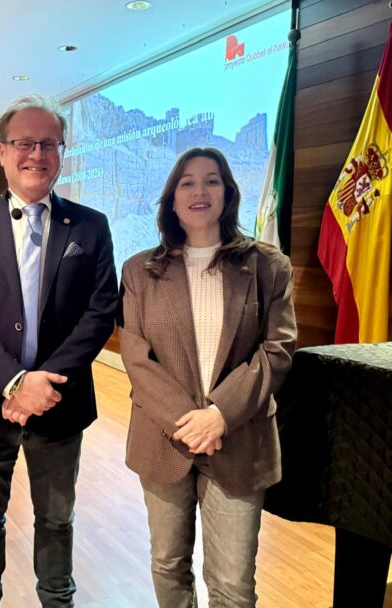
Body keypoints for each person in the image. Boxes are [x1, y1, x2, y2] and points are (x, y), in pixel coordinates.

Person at [0, 94, 118, 607]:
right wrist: (15, 383)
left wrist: (43, 383)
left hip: (61, 402)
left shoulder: (91, 225)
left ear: (62, 153)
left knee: (57, 518)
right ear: (2, 152)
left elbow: (100, 311)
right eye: (24, 143)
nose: (37, 154)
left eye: (49, 144)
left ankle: (57, 601)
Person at [119, 147, 297, 608]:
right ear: (172, 198)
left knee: (233, 585)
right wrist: (189, 420)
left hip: (239, 439)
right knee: (168, 564)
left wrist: (220, 414)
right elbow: (136, 356)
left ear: (228, 193)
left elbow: (277, 348)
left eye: (211, 180)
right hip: (163, 438)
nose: (200, 191)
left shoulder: (267, 266)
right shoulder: (139, 271)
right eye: (188, 182)